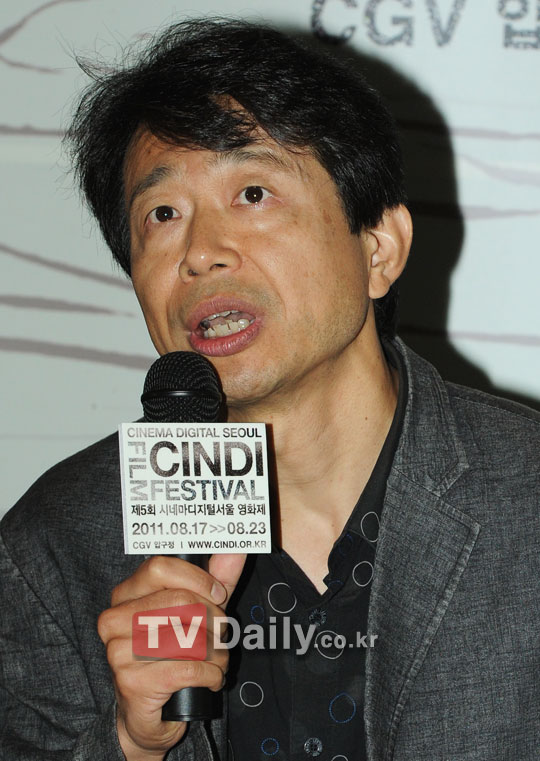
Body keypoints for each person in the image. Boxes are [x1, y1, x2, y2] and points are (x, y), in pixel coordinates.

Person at [1, 17, 539, 761]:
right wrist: (129, 743)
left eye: (252, 193)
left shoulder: (527, 497)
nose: (201, 253)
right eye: (163, 214)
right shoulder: (52, 547)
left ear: (379, 249)